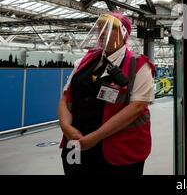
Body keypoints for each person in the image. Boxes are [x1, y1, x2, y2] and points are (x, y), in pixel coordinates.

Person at [58, 12, 155, 175]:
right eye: (100, 27)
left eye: (110, 28)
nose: (102, 32)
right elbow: (65, 98)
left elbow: (137, 107)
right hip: (77, 144)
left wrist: (94, 137)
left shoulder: (138, 65)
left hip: (119, 151)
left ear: (124, 34)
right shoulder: (84, 61)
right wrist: (66, 126)